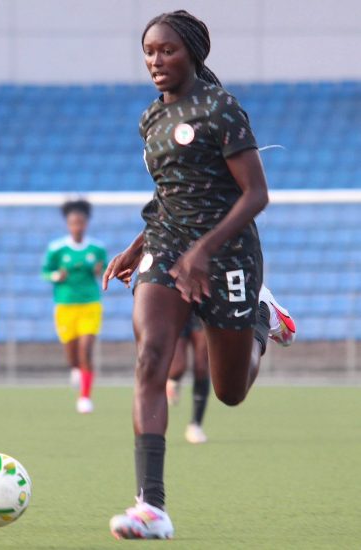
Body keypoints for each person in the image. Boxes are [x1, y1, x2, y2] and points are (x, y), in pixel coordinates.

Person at [103, 11, 296, 539]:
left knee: (231, 391)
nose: (156, 61)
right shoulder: (150, 119)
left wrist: (205, 251)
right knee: (149, 359)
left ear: (192, 53)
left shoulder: (221, 109)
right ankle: (152, 507)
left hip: (229, 254)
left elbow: (256, 194)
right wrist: (136, 245)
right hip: (166, 249)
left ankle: (261, 317)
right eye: (149, 51)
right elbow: (169, 196)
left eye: (167, 50)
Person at [42, 199, 107, 414]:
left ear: (86, 223)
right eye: (73, 223)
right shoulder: (57, 249)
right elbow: (45, 272)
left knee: (85, 350)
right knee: (72, 355)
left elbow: (104, 270)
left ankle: (85, 397)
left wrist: (100, 271)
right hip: (65, 305)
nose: (77, 226)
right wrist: (55, 276)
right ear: (68, 224)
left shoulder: (97, 248)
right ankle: (75, 370)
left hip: (90, 304)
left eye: (80, 222)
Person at [166, 313, 210, 444]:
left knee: (202, 366)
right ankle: (172, 381)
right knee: (178, 367)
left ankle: (196, 424)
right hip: (179, 305)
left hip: (203, 308)